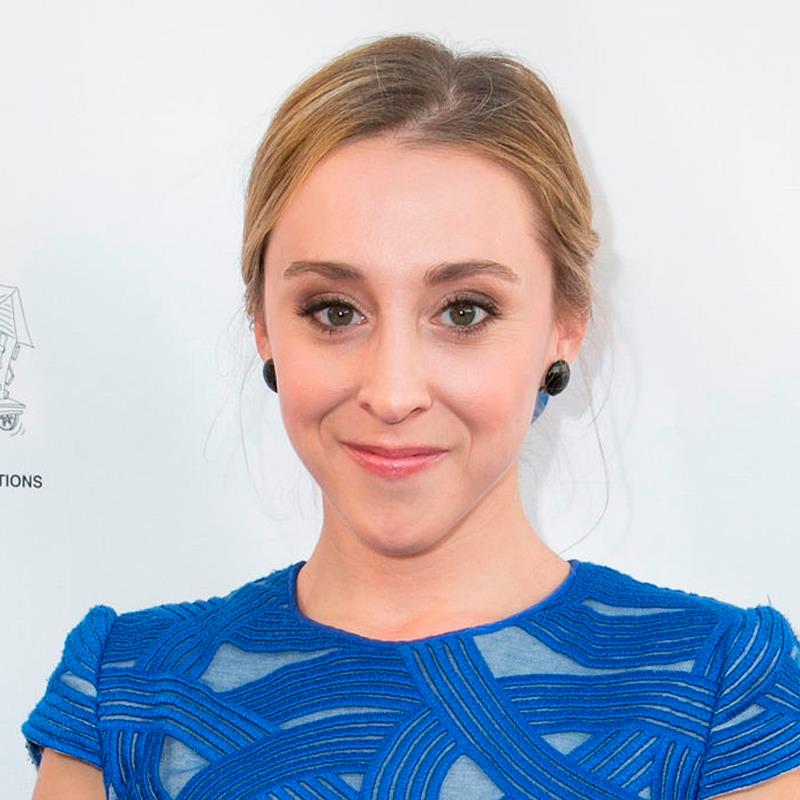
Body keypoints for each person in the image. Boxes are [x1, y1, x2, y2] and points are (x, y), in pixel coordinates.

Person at [22, 33, 800, 800]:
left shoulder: (721, 695)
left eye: (464, 312)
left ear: (565, 325)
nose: (393, 394)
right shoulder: (124, 697)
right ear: (263, 324)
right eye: (334, 311)